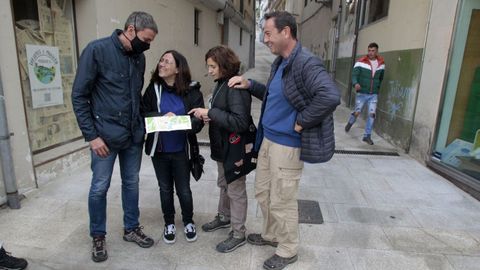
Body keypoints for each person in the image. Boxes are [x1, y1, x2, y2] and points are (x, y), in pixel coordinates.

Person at [228, 11, 340, 270]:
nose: (265, 39)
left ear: (286, 32)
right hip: (268, 140)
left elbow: (330, 96)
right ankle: (271, 235)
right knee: (264, 193)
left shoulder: (306, 63)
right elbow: (276, 94)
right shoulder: (282, 61)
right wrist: (250, 84)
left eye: (268, 33)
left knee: (282, 199)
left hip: (287, 146)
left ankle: (288, 249)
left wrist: (301, 122)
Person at [71, 11, 158, 263]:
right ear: (130, 30)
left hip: (132, 136)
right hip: (104, 138)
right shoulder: (96, 50)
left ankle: (131, 228)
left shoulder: (138, 58)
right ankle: (98, 235)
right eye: (146, 39)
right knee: (100, 187)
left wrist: (143, 125)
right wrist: (92, 136)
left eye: (151, 41)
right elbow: (79, 96)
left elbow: (136, 96)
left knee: (131, 183)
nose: (148, 45)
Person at [189, 45, 252, 253]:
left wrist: (211, 112)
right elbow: (221, 113)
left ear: (224, 65)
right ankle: (224, 217)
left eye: (213, 66)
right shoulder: (221, 83)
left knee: (235, 190)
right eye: (208, 66)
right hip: (221, 146)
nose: (209, 71)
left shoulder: (234, 86)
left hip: (234, 149)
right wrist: (210, 115)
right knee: (224, 183)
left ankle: (238, 232)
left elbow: (240, 122)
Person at [142, 50, 204, 244]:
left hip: (181, 151)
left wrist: (180, 121)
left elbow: (198, 122)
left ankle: (188, 221)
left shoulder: (192, 91)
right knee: (165, 189)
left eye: (167, 62)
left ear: (178, 69)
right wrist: (162, 117)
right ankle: (169, 222)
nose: (162, 64)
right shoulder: (153, 89)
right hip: (159, 151)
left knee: (184, 190)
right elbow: (143, 114)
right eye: (161, 60)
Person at [344, 42, 385, 145]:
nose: (371, 53)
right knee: (357, 112)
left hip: (373, 94)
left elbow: (381, 78)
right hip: (362, 93)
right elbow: (354, 75)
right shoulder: (361, 62)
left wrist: (377, 88)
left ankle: (367, 136)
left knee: (372, 114)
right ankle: (350, 122)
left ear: (377, 51)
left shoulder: (381, 63)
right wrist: (356, 83)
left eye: (373, 51)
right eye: (369, 50)